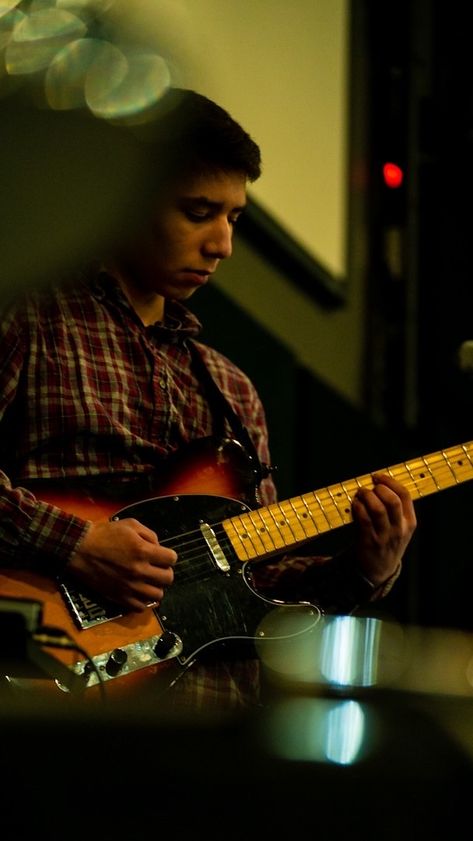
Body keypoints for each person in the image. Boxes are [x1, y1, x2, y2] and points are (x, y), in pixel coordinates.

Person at [0, 88, 416, 710]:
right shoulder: (30, 314)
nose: (222, 244)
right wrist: (76, 544)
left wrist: (365, 568)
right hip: (46, 696)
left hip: (206, 719)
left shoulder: (233, 390)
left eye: (235, 218)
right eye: (198, 212)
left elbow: (260, 585)